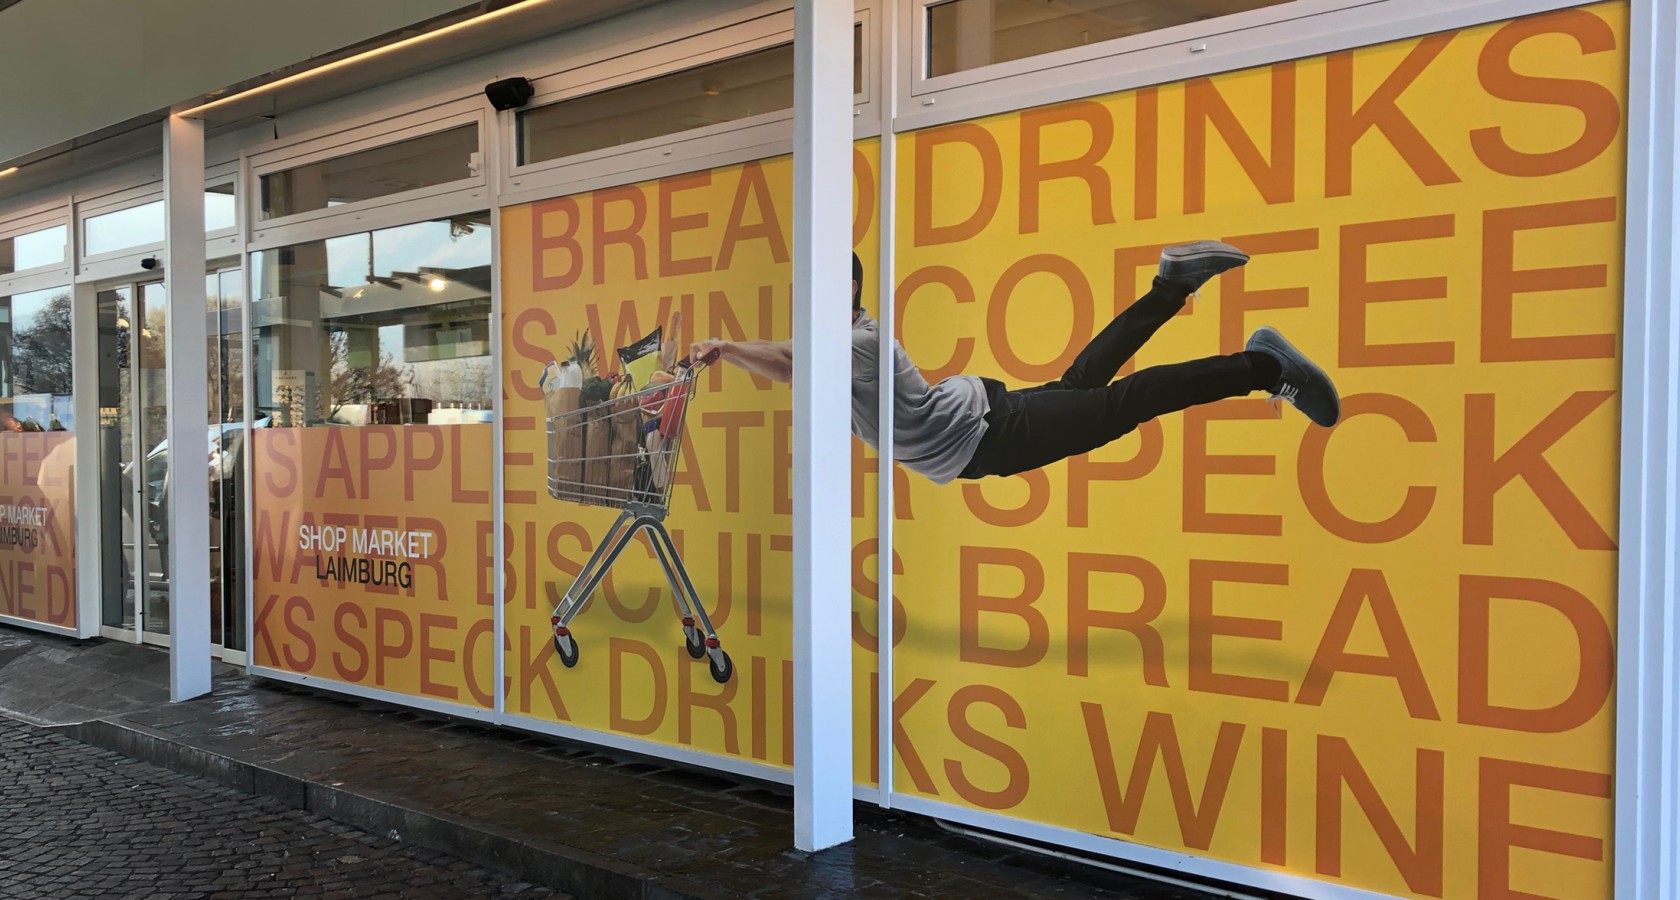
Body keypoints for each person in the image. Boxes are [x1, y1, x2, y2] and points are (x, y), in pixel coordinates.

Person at [691, 241, 1339, 484]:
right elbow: (787, 366)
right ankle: (1171, 287)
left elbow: (788, 361)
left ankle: (1259, 367)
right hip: (983, 428)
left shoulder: (855, 344)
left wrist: (724, 347)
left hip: (988, 434)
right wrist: (728, 352)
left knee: (1121, 403)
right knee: (1082, 386)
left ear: (848, 292)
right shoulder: (844, 350)